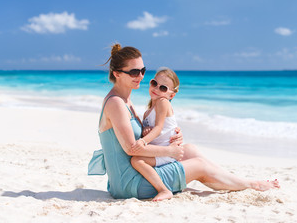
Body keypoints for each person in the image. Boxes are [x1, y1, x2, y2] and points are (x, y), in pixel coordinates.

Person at [88, 43, 280, 200]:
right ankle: (252, 184)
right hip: (131, 184)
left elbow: (146, 136)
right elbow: (132, 149)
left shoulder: (125, 101)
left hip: (131, 177)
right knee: (200, 166)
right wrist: (170, 151)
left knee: (191, 150)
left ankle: (235, 180)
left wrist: (171, 136)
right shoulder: (116, 104)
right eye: (134, 72)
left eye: (143, 70)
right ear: (117, 74)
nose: (141, 76)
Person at [130, 67, 182, 201]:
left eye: (163, 88)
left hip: (167, 152)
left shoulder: (163, 102)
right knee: (136, 158)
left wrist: (143, 141)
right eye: (154, 83)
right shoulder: (148, 112)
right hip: (159, 150)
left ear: (171, 95)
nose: (156, 88)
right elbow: (153, 129)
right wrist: (145, 130)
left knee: (136, 160)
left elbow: (158, 128)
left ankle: (164, 190)